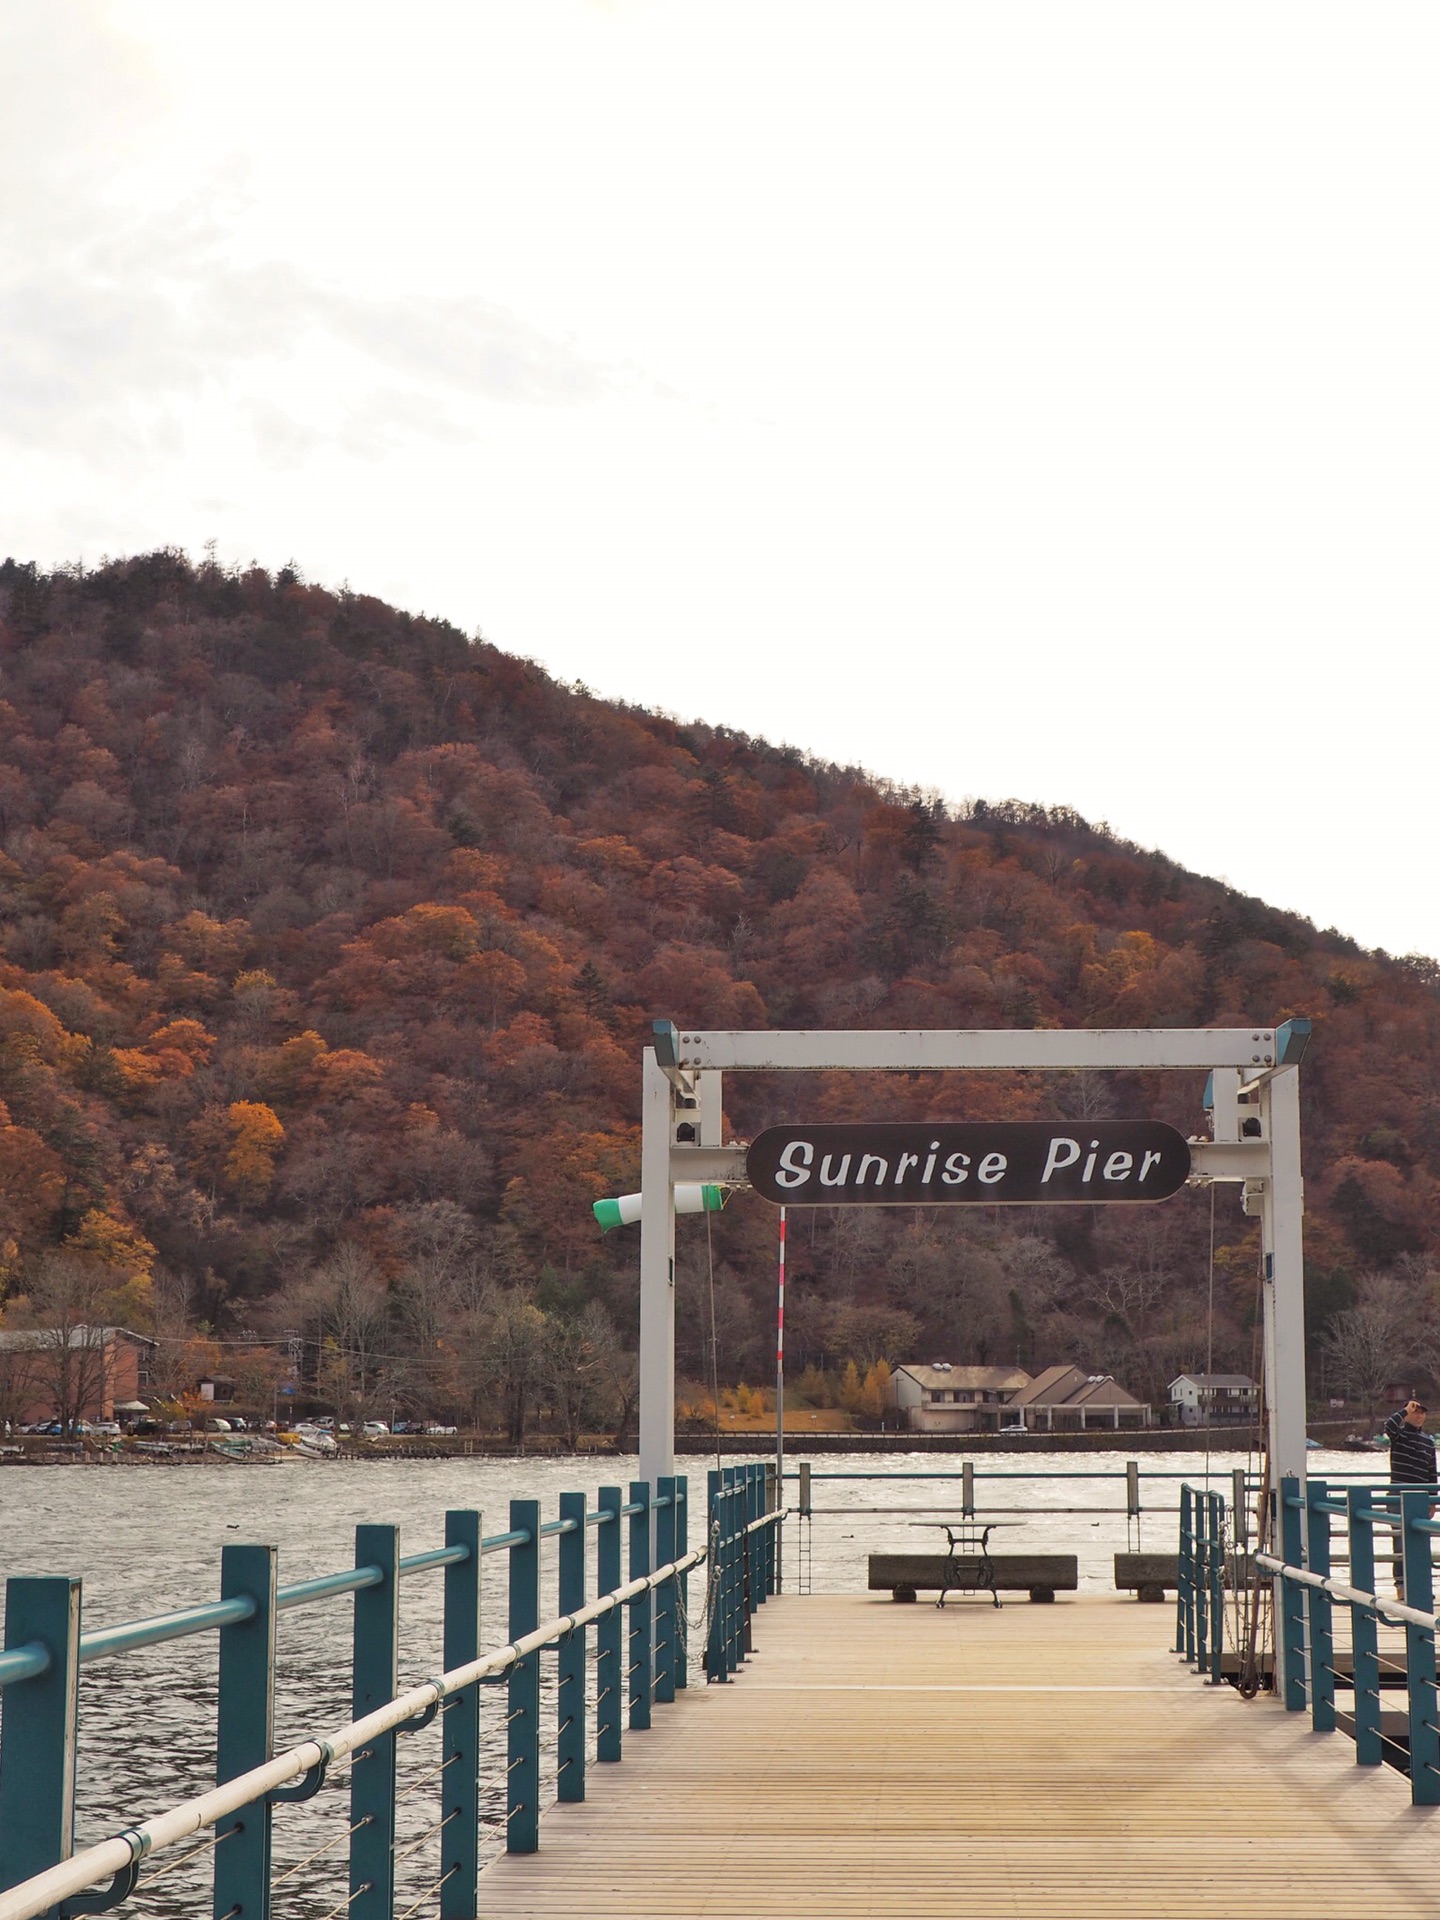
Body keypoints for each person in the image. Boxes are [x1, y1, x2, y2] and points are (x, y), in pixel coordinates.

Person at [1383, 1399, 1436, 1596]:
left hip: (1421, 1498)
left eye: (1422, 1413)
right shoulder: (1400, 1435)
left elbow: (1432, 1473)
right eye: (1416, 1412)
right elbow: (1389, 1426)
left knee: (1421, 1541)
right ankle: (1401, 1585)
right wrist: (1404, 1411)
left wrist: (1433, 1500)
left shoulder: (1428, 1442)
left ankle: (1421, 1585)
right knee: (1400, 1541)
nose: (1420, 1416)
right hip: (1398, 1495)